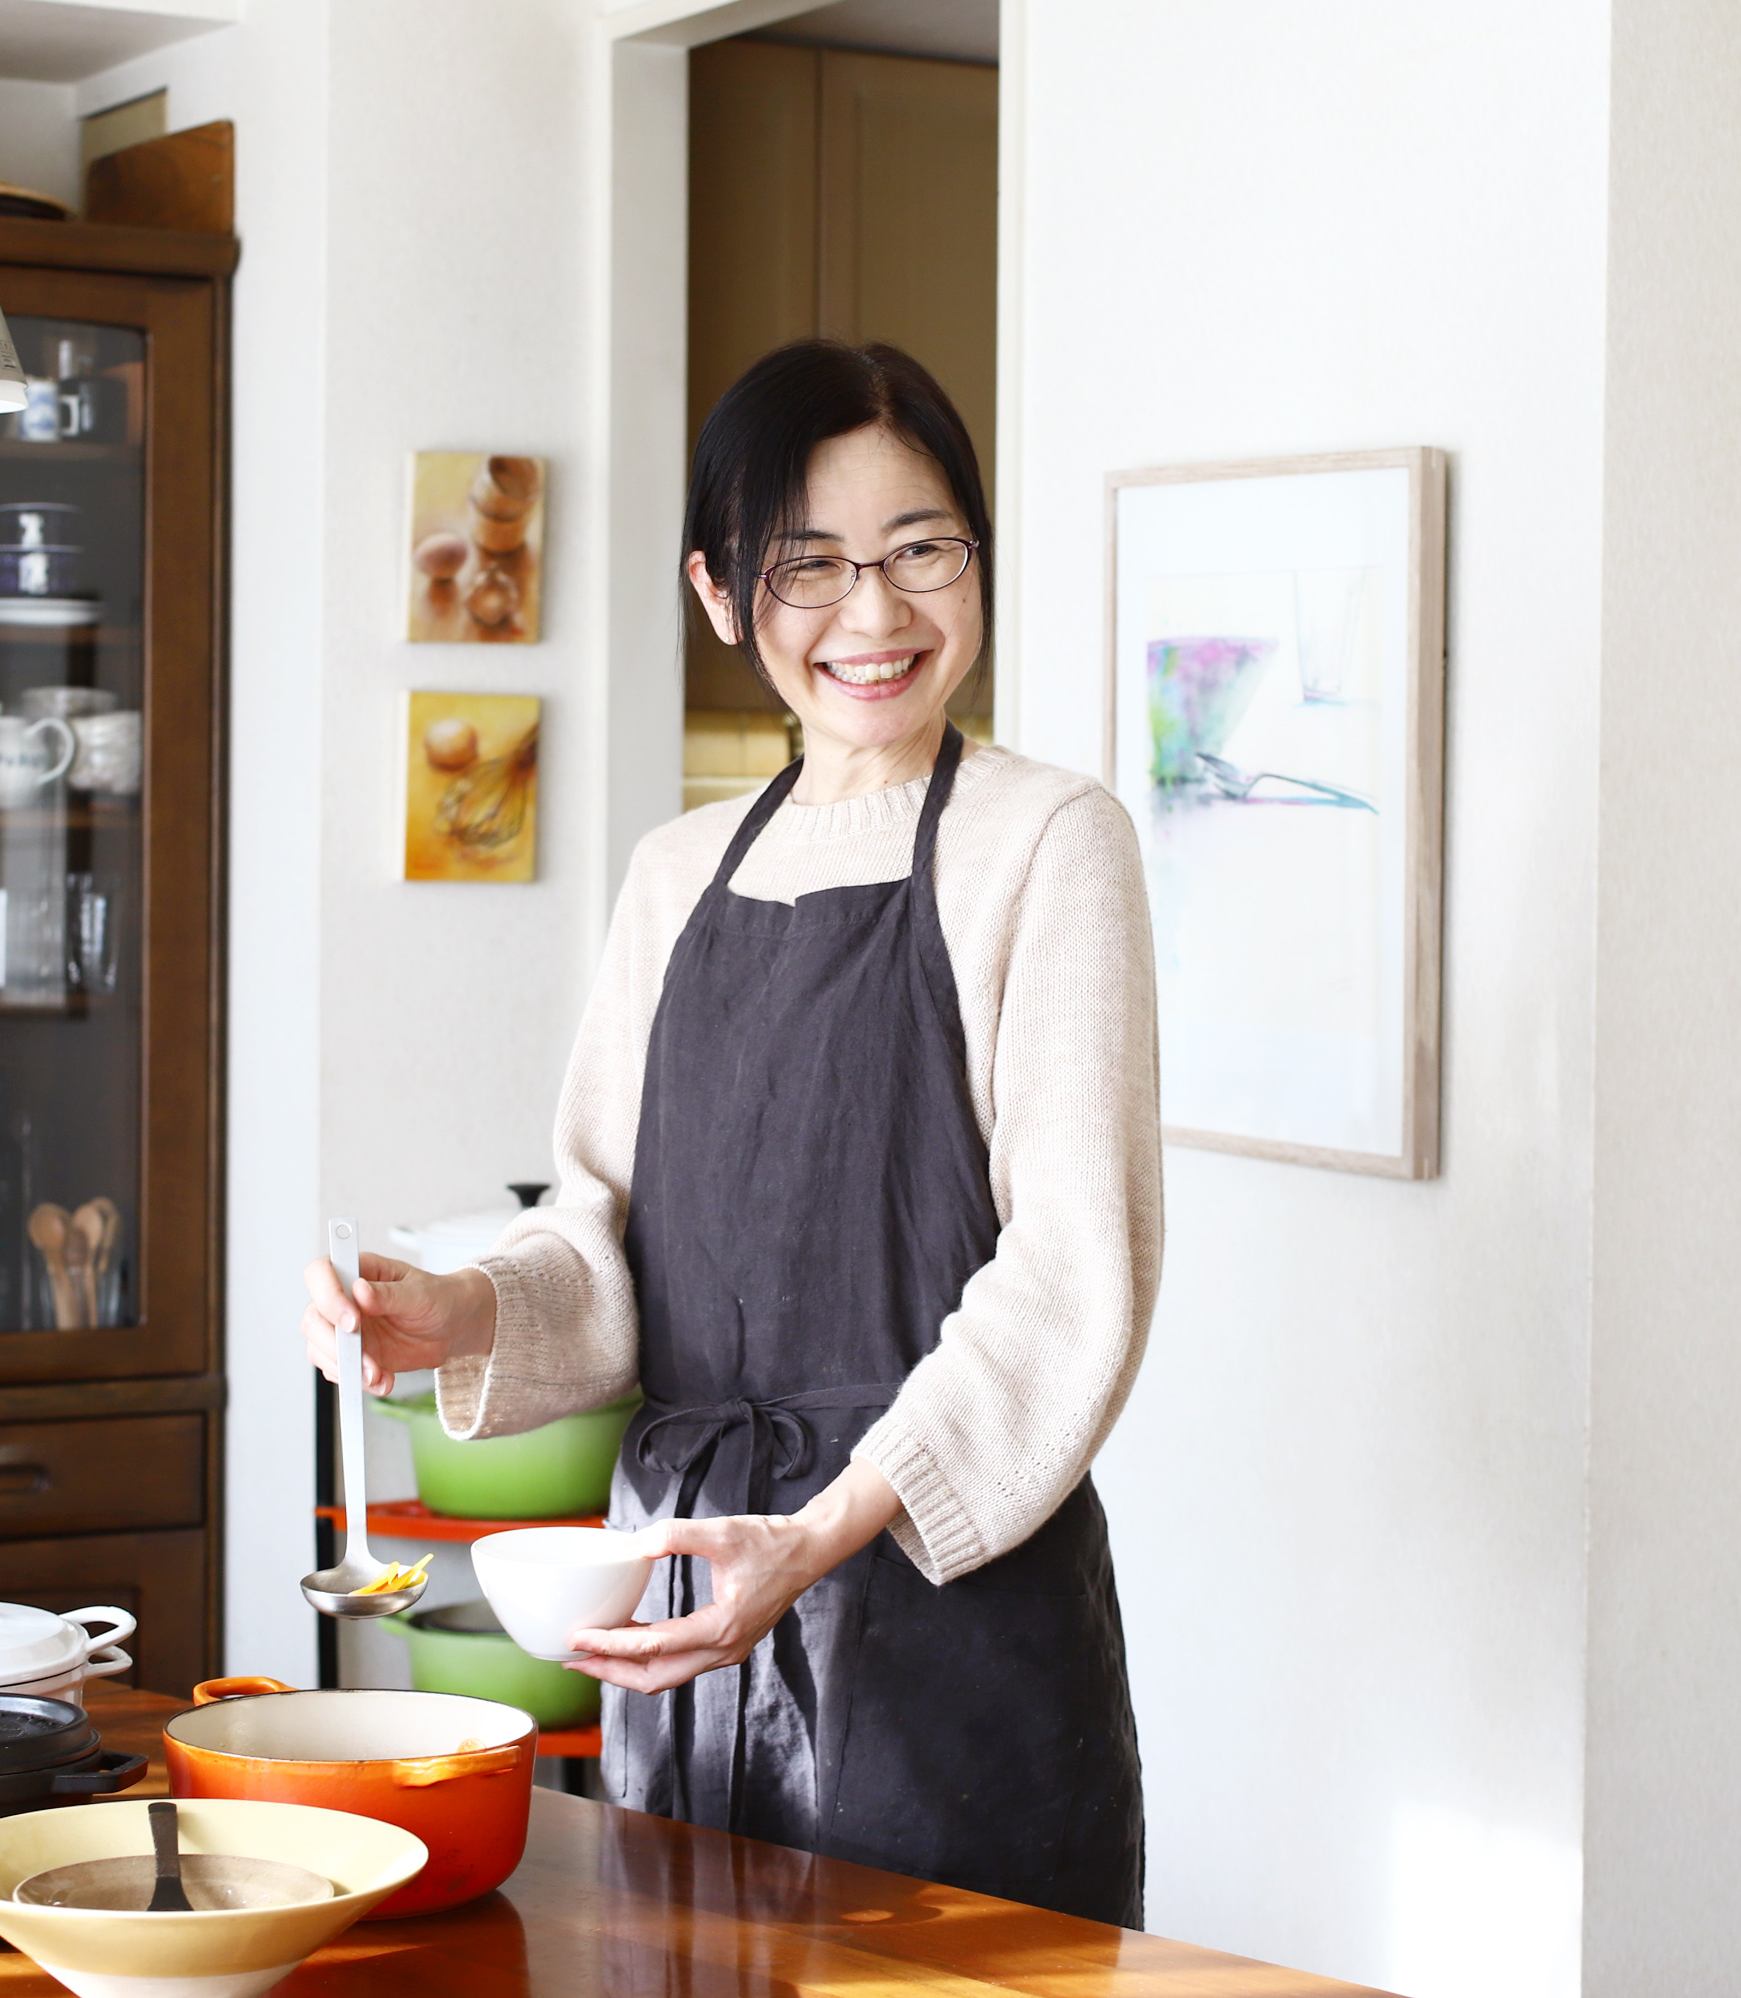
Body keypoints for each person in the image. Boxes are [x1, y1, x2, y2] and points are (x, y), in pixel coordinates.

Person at [303, 338, 1159, 1925]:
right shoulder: (675, 871)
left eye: (921, 549)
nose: (874, 613)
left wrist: (822, 1533)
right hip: (695, 1608)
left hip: (944, 1620)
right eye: (807, 565)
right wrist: (461, 1308)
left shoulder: (1048, 841)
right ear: (718, 592)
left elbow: (1067, 1271)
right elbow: (600, 1233)